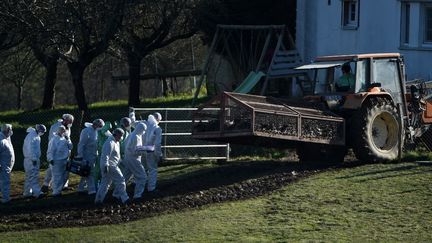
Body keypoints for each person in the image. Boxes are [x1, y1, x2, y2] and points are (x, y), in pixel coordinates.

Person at [95, 128, 129, 204]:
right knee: (121, 180)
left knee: (105, 183)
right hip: (110, 166)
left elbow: (117, 156)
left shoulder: (116, 142)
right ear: (116, 135)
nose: (121, 138)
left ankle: (98, 200)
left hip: (112, 165)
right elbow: (105, 155)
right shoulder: (109, 143)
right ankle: (125, 198)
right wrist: (105, 166)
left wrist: (122, 162)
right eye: (120, 136)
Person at [42, 114, 74, 193]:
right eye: (69, 121)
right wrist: (52, 156)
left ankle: (63, 185)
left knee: (65, 170)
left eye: (71, 122)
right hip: (56, 153)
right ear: (65, 120)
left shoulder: (68, 128)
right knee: (53, 169)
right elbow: (53, 140)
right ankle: (46, 184)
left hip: (65, 152)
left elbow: (67, 139)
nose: (70, 123)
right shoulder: (56, 127)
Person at [77, 119, 105, 195]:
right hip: (86, 155)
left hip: (93, 155)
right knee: (89, 172)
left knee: (85, 172)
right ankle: (92, 190)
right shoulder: (86, 131)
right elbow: (81, 144)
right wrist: (80, 155)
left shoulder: (96, 131)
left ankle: (80, 189)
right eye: (100, 126)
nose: (100, 128)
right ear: (95, 124)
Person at [123, 122, 147, 200]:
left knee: (126, 177)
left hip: (128, 158)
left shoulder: (132, 135)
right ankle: (137, 195)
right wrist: (145, 149)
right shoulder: (136, 137)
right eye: (144, 130)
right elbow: (135, 151)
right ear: (141, 129)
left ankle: (116, 193)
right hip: (134, 159)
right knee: (142, 177)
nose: (144, 132)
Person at [47, 125, 73, 196]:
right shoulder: (54, 139)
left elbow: (71, 147)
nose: (63, 131)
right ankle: (56, 192)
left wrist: (68, 139)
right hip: (57, 161)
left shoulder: (65, 139)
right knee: (57, 176)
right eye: (62, 130)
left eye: (64, 130)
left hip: (65, 160)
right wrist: (51, 159)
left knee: (64, 176)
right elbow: (51, 150)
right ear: (58, 131)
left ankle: (56, 188)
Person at [22, 124, 47, 199]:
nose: (43, 133)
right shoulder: (32, 136)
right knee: (33, 176)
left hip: (30, 159)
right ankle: (37, 193)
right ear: (39, 130)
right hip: (31, 160)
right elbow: (31, 148)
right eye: (43, 131)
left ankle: (27, 192)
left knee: (29, 176)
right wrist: (34, 159)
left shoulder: (35, 135)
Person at [143, 113, 163, 192]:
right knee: (152, 170)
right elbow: (157, 144)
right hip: (150, 150)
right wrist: (159, 155)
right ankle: (151, 188)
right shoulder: (157, 129)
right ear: (158, 120)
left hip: (142, 149)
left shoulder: (145, 123)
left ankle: (137, 184)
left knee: (143, 168)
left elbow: (133, 123)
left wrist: (132, 114)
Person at [0, 124, 15, 204]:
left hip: (7, 165)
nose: (12, 131)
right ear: (7, 130)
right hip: (3, 166)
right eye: (11, 129)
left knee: (2, 182)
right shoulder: (1, 140)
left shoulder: (6, 138)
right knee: (5, 182)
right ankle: (6, 199)